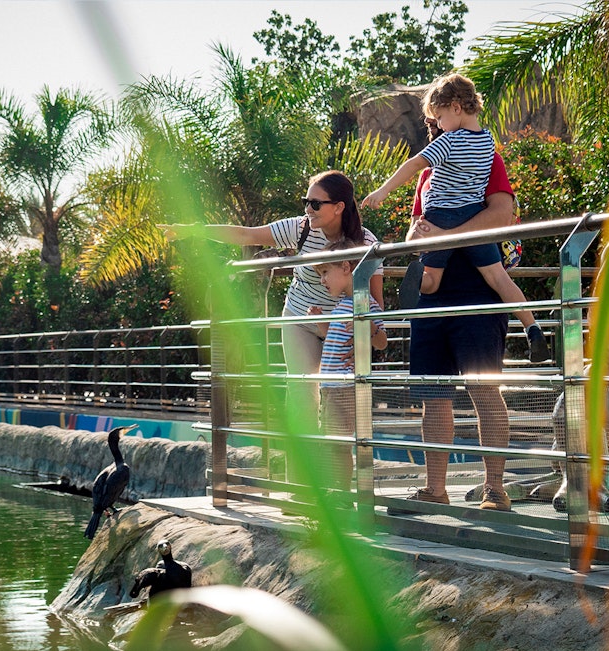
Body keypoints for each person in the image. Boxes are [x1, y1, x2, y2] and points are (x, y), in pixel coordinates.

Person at [160, 170, 384, 426]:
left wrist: (359, 342)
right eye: (305, 202)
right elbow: (247, 235)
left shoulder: (365, 242)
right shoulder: (301, 228)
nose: (308, 210)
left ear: (339, 207)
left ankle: (336, 462)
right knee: (302, 394)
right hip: (300, 318)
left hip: (341, 327)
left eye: (315, 204)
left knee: (339, 403)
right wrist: (194, 231)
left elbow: (375, 303)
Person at [361, 73, 550, 363]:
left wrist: (383, 190)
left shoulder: (448, 142)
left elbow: (414, 164)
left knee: (432, 280)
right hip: (473, 214)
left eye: (439, 117)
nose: (437, 125)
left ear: (456, 107)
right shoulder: (487, 143)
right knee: (499, 277)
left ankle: (419, 281)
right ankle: (532, 327)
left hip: (441, 216)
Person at [387, 127, 520, 514]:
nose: (439, 132)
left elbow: (502, 213)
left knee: (485, 391)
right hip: (431, 297)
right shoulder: (428, 174)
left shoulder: (485, 158)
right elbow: (417, 227)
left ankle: (495, 489)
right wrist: (420, 234)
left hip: (478, 296)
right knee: (433, 397)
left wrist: (447, 235)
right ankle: (435, 489)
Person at [307, 238, 388, 490]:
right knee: (331, 442)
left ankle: (340, 492)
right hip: (330, 386)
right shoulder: (341, 305)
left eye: (325, 273)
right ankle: (336, 489)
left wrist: (367, 325)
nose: (323, 280)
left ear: (345, 267)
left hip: (343, 387)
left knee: (337, 443)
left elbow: (382, 342)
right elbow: (332, 337)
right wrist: (321, 322)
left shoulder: (365, 304)